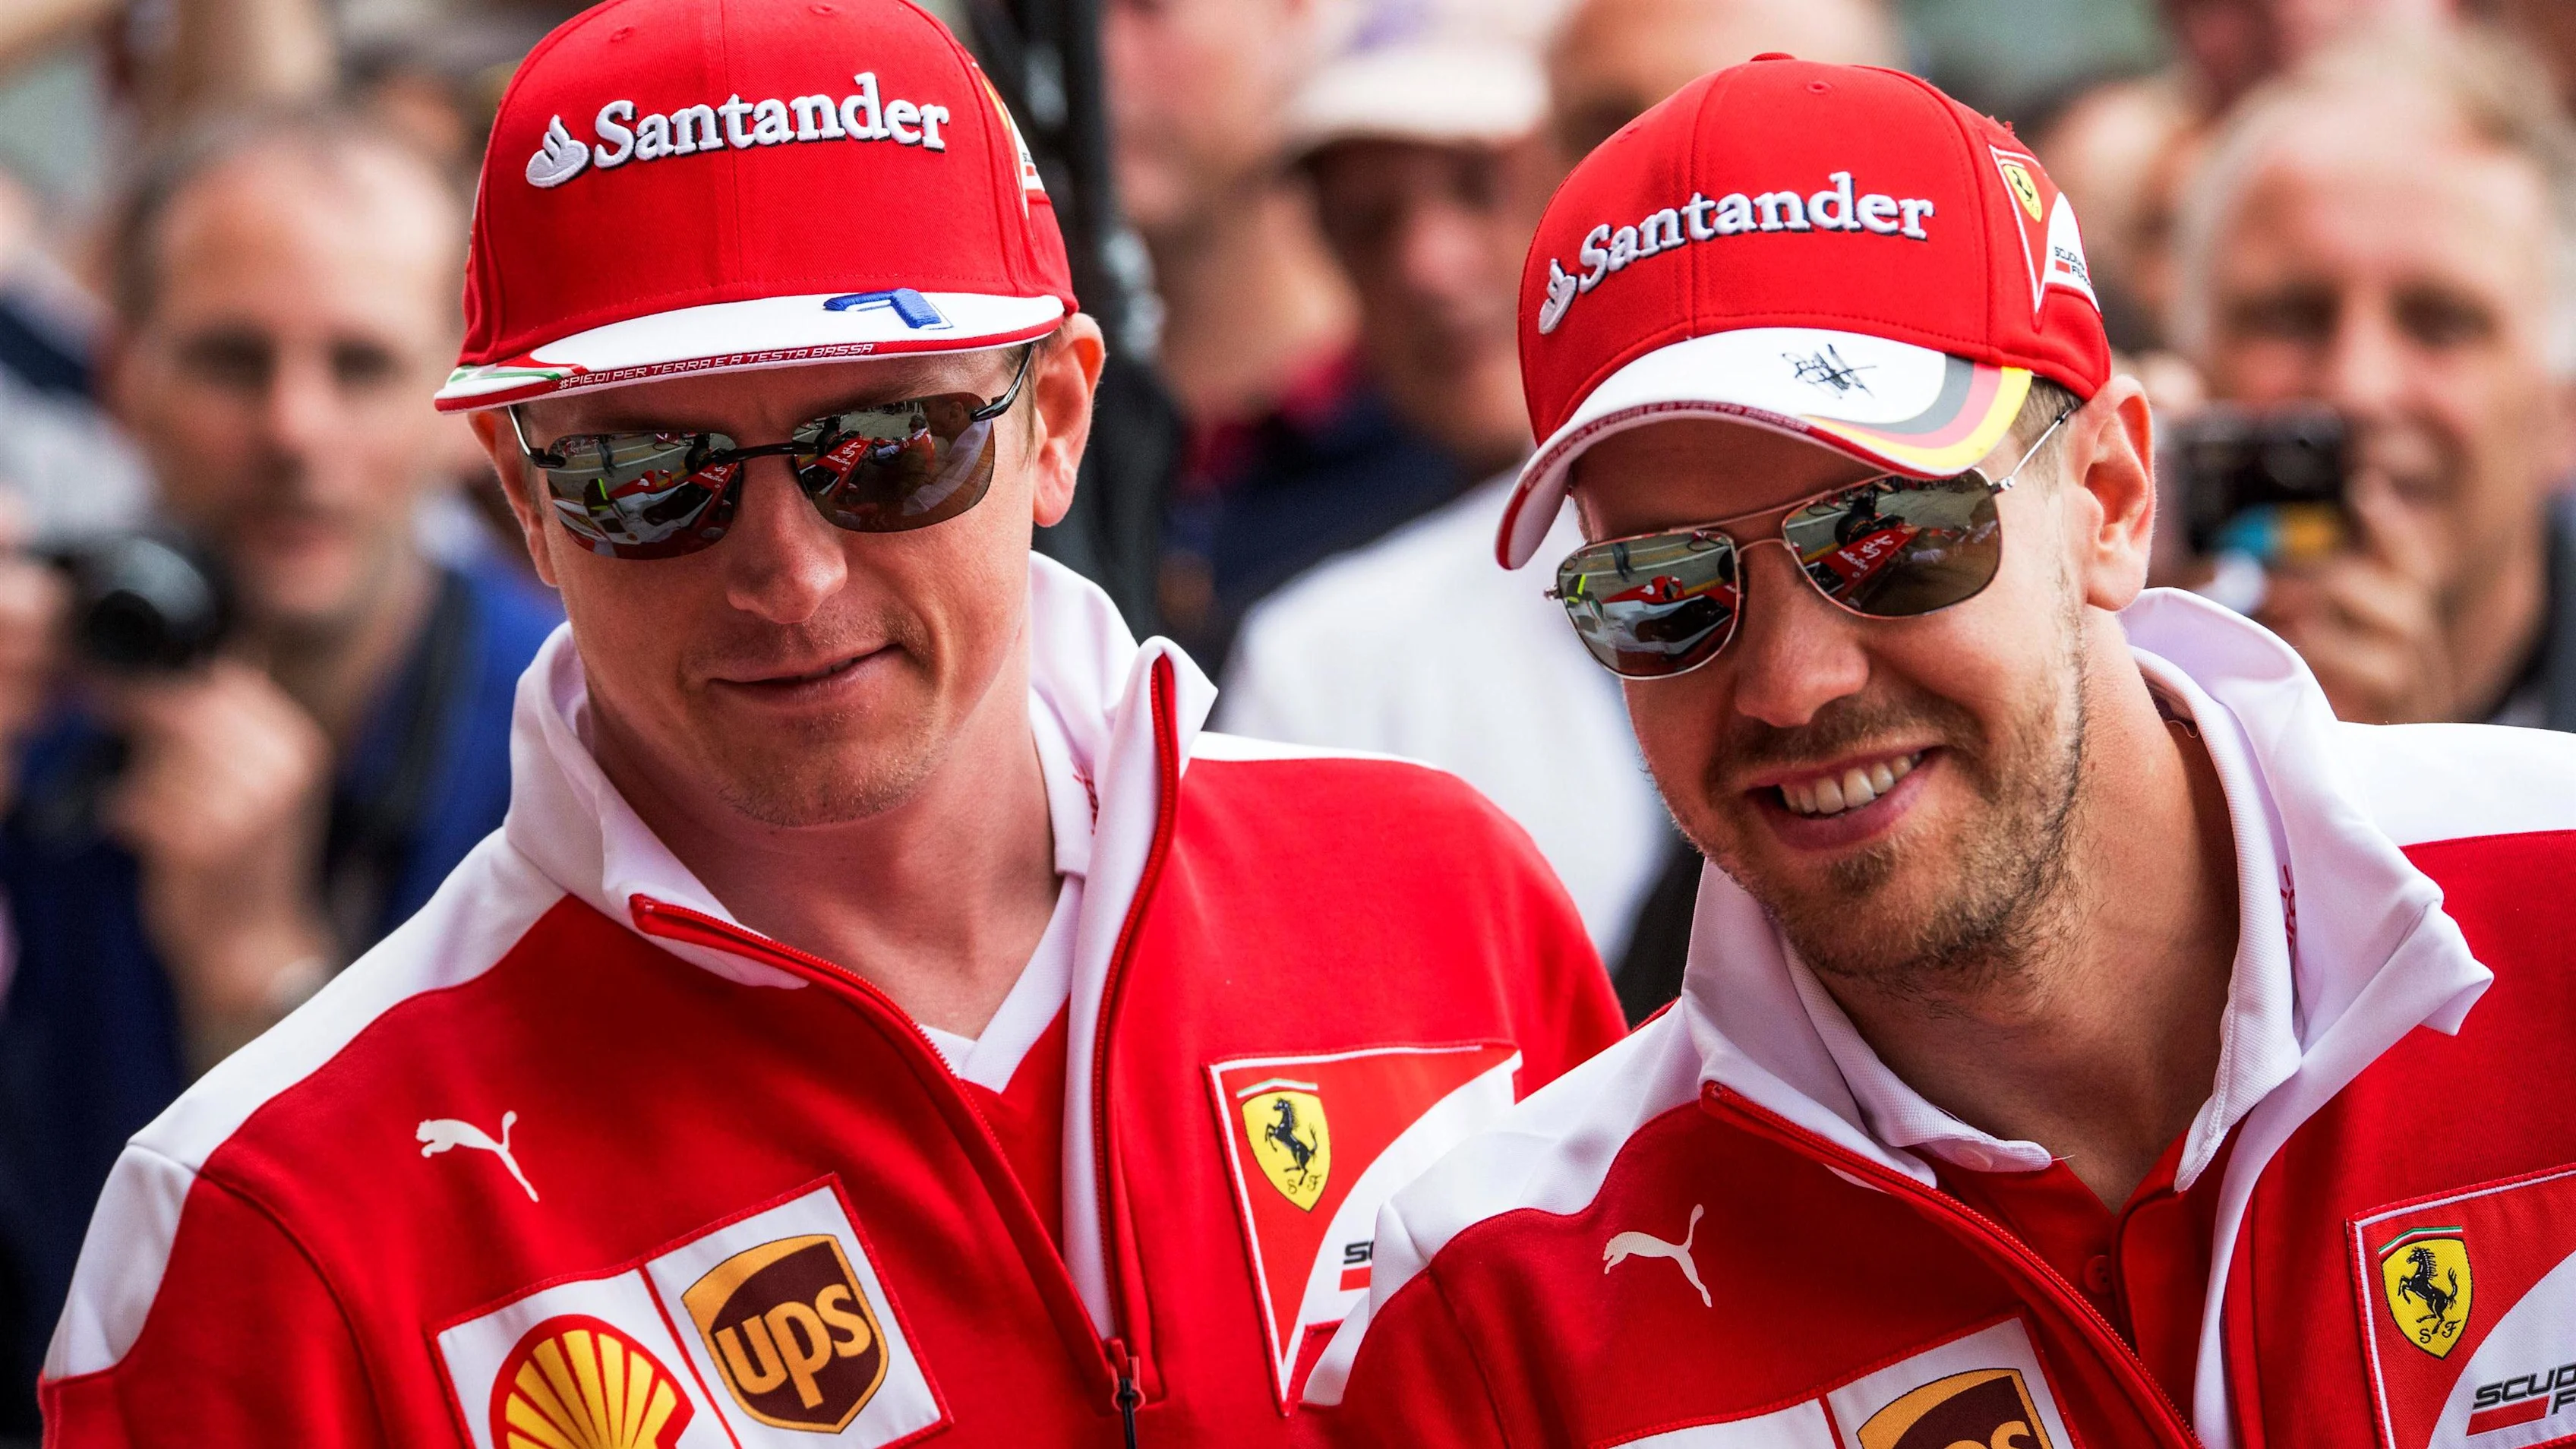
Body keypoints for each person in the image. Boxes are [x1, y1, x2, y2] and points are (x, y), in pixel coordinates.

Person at [39, 1, 1623, 1443]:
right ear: (527, 497)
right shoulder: (277, 1216)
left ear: (1056, 423)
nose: (787, 575)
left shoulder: (1441, 904)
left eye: (887, 449)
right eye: (651, 479)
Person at [1299, 56, 2576, 1448]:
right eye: (1663, 590)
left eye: (1888, 536)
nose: (1789, 685)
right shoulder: (1496, 1306)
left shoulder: (2554, 906)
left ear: (2109, 497)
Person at [0, 109, 560, 1428]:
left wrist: (267, 991)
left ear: (460, 402)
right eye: (230, 360)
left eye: (361, 366)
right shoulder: (40, 701)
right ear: (120, 373)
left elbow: (525, 1313)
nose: (293, 429)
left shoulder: (582, 737)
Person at [1221, 0, 1897, 1007]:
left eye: (1795, 136)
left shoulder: (2063, 535)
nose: (1697, 207)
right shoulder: (1328, 658)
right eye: (1367, 223)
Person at [2170, 27, 2576, 729]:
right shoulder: (2109, 662)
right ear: (2196, 359)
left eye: (2441, 322)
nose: (2358, 386)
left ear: (2563, 407)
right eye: (2291, 317)